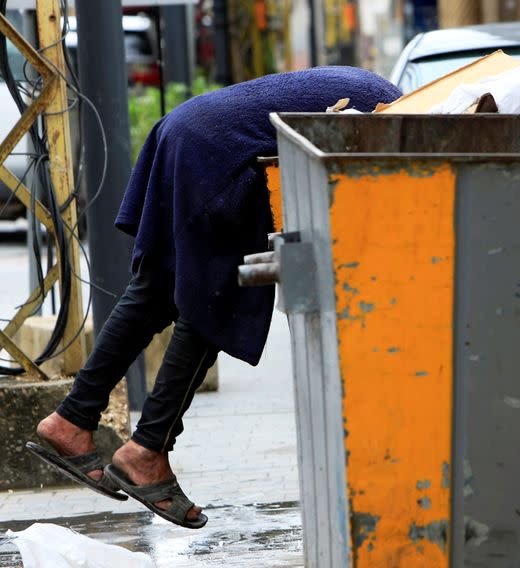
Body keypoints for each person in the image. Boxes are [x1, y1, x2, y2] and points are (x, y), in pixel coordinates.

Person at [27, 66, 402, 529]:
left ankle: (72, 419)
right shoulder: (394, 115)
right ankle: (146, 451)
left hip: (186, 131)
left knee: (155, 292)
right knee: (214, 302)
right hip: (219, 155)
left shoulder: (381, 91)